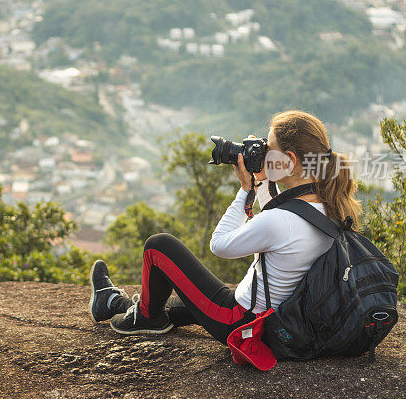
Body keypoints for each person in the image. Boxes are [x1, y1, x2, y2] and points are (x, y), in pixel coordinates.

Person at [88, 110, 362, 345]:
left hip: (243, 322)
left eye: (269, 147)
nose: (263, 153)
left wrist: (245, 190)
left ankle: (146, 318)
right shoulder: (332, 206)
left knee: (159, 246)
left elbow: (219, 245)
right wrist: (262, 181)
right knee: (172, 305)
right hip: (286, 320)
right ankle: (112, 303)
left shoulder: (280, 221)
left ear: (289, 160)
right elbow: (280, 216)